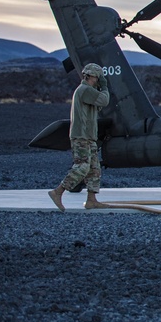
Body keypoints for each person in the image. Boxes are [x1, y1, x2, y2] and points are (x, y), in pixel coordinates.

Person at [48, 63, 110, 211]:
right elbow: (104, 100)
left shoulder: (89, 91)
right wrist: (105, 87)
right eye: (98, 77)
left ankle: (91, 200)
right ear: (92, 76)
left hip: (89, 136)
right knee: (82, 166)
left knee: (94, 169)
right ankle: (58, 191)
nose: (99, 79)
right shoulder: (84, 90)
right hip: (81, 136)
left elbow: (99, 105)